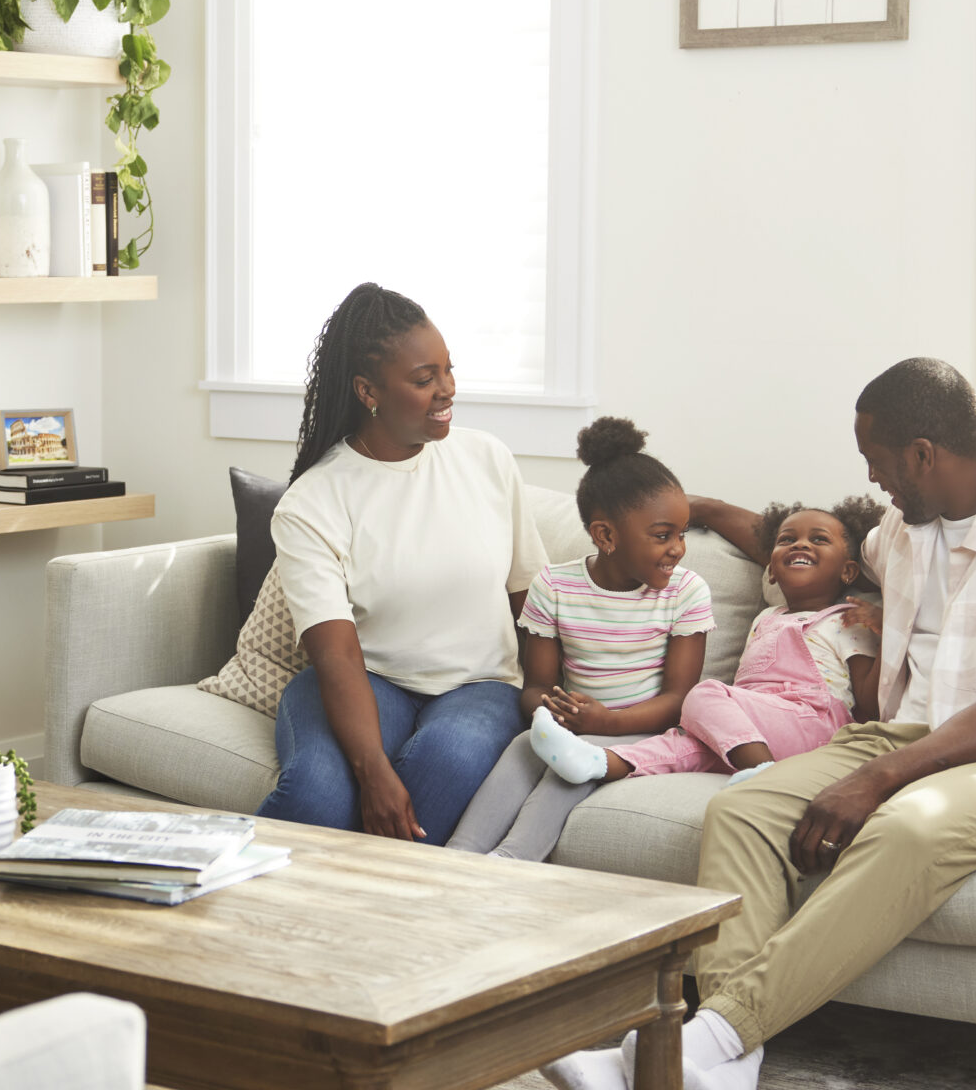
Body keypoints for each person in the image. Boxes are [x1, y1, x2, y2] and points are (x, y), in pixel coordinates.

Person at [541, 358, 976, 1090]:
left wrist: (875, 779)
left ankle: (698, 1043)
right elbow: (786, 546)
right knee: (743, 808)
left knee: (904, 830)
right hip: (910, 733)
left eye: (875, 459)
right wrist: (685, 508)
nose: (868, 478)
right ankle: (728, 1081)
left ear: (921, 453)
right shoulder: (903, 530)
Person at [259, 283, 546, 843]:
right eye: (424, 379)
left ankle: (347, 917)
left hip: (480, 685)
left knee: (446, 765)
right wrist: (372, 773)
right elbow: (336, 650)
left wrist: (543, 695)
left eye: (447, 370)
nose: (447, 390)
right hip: (367, 680)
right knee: (317, 794)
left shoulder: (486, 458)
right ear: (368, 390)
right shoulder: (313, 501)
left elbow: (527, 597)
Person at [446, 418, 714, 861]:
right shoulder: (553, 586)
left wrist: (604, 723)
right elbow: (535, 687)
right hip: (576, 723)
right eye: (663, 535)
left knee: (572, 764)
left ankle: (512, 860)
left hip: (640, 730)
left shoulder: (687, 592)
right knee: (521, 746)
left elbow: (679, 698)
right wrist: (551, 711)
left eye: (681, 534)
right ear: (606, 535)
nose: (678, 549)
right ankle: (458, 855)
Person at [525, 499, 882, 801]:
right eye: (787, 539)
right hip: (749, 728)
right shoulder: (767, 617)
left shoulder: (849, 620)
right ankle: (597, 761)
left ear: (849, 571)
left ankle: (762, 774)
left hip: (813, 724)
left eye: (818, 539)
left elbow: (868, 704)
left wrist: (887, 635)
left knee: (703, 694)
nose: (800, 545)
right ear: (770, 569)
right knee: (682, 745)